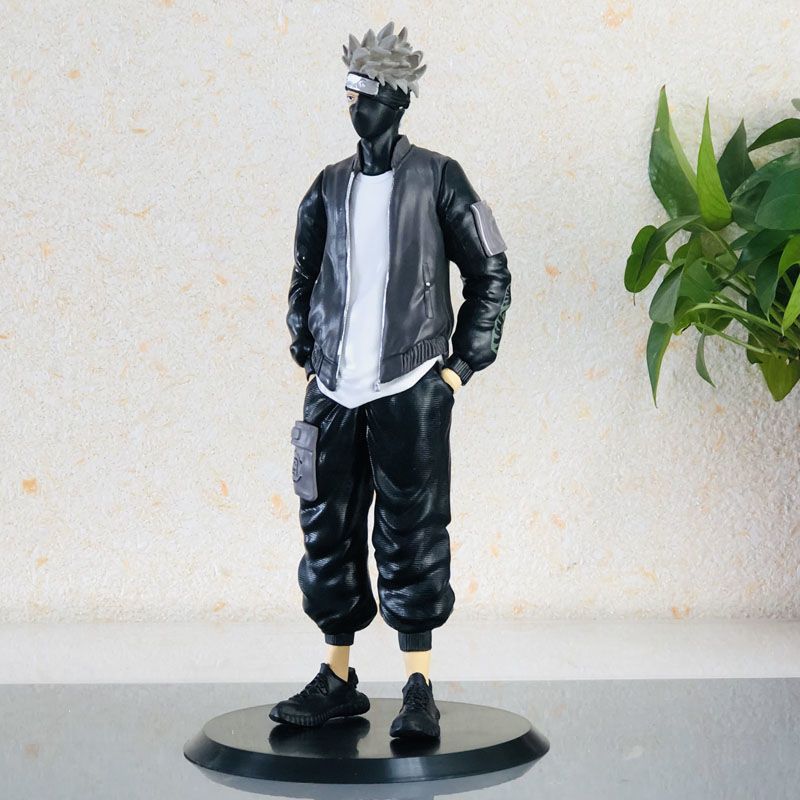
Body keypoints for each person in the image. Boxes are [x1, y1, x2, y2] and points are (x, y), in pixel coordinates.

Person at [271, 21, 511, 740]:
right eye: (349, 93)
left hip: (411, 386)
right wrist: (303, 340)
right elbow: (303, 269)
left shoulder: (440, 176)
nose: (354, 106)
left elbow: (491, 271)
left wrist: (459, 369)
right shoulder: (328, 185)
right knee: (327, 530)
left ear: (396, 101)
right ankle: (337, 677)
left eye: (366, 94)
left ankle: (418, 686)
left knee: (413, 533)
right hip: (332, 392)